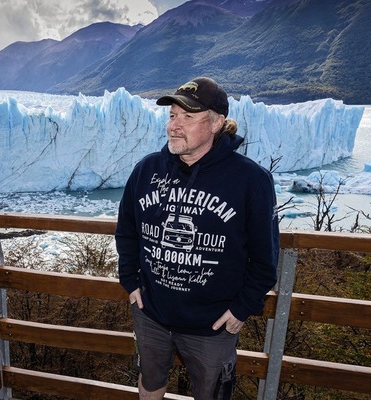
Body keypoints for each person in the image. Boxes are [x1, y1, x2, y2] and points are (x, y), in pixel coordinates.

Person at [115, 77, 279, 399]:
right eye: (172, 115)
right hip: (151, 314)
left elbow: (265, 258)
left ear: (216, 123)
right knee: (150, 382)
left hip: (212, 325)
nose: (174, 126)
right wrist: (129, 280)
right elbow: (127, 231)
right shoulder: (147, 170)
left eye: (188, 117)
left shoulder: (251, 180)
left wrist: (242, 308)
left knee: (212, 392)